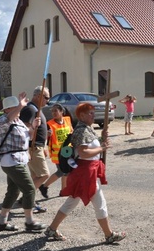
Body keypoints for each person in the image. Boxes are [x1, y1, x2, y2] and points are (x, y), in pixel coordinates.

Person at [44, 103, 126, 243]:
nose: (93, 115)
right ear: (82, 115)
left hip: (85, 172)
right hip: (85, 173)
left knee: (72, 202)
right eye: (90, 113)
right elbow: (83, 152)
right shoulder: (81, 130)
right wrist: (102, 148)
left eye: (93, 113)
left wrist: (101, 138)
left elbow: (90, 144)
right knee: (99, 203)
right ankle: (109, 235)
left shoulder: (87, 129)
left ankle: (52, 229)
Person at [0, 93, 47, 232]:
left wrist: (34, 127)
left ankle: (1, 222)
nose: (18, 111)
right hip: (11, 161)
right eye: (13, 108)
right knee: (29, 189)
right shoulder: (2, 121)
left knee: (13, 191)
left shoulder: (19, 122)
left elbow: (28, 137)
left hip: (19, 160)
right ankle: (29, 222)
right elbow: (8, 118)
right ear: (6, 110)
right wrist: (20, 106)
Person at [20, 86, 51, 204]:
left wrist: (44, 145)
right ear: (37, 96)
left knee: (35, 176)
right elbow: (23, 129)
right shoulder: (31, 110)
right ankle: (26, 198)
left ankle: (29, 198)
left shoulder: (37, 109)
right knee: (44, 174)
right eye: (46, 97)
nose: (47, 100)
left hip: (38, 147)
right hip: (32, 147)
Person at [42, 103, 73, 196]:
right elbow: (44, 137)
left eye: (55, 110)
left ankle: (63, 190)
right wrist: (47, 135)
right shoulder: (49, 124)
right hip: (57, 153)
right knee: (61, 171)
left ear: (61, 111)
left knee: (66, 171)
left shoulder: (68, 120)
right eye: (52, 111)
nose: (53, 113)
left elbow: (71, 132)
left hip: (67, 151)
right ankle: (44, 186)